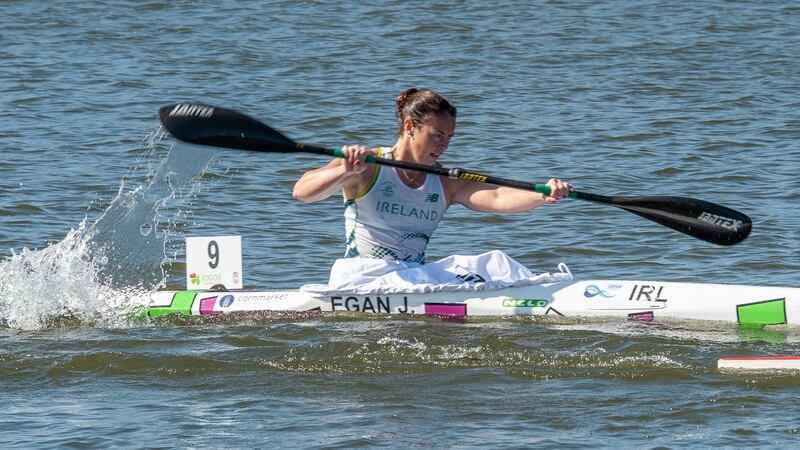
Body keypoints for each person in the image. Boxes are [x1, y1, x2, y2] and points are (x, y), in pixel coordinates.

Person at [293, 88, 572, 291]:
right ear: (409, 127)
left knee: (495, 263)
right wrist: (344, 170)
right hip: (365, 277)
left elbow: (498, 197)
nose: (444, 144)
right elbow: (302, 192)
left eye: (449, 137)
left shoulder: (446, 179)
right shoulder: (367, 164)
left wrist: (542, 193)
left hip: (414, 276)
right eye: (437, 134)